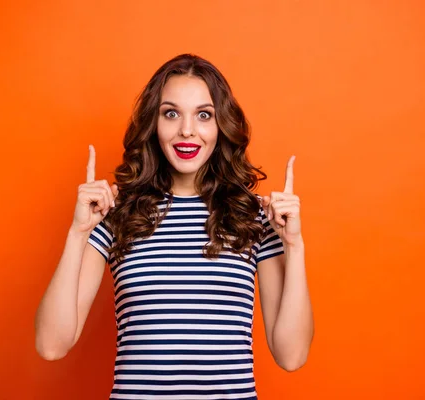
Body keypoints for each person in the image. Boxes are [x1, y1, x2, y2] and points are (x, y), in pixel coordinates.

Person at [35, 53, 314, 399]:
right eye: (171, 113)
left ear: (220, 125)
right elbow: (51, 345)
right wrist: (78, 233)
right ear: (154, 124)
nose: (187, 130)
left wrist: (295, 245)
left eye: (203, 115)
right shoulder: (116, 214)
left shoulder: (254, 217)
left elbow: (291, 355)